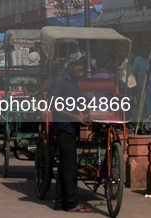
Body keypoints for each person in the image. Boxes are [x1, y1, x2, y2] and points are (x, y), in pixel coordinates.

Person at [49, 57, 91, 212]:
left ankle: (60, 203)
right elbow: (52, 105)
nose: (81, 73)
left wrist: (85, 107)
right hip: (64, 129)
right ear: (72, 66)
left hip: (70, 128)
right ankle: (72, 203)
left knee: (64, 167)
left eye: (82, 71)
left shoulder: (73, 82)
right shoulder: (60, 81)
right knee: (70, 167)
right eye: (79, 70)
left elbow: (78, 99)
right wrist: (74, 117)